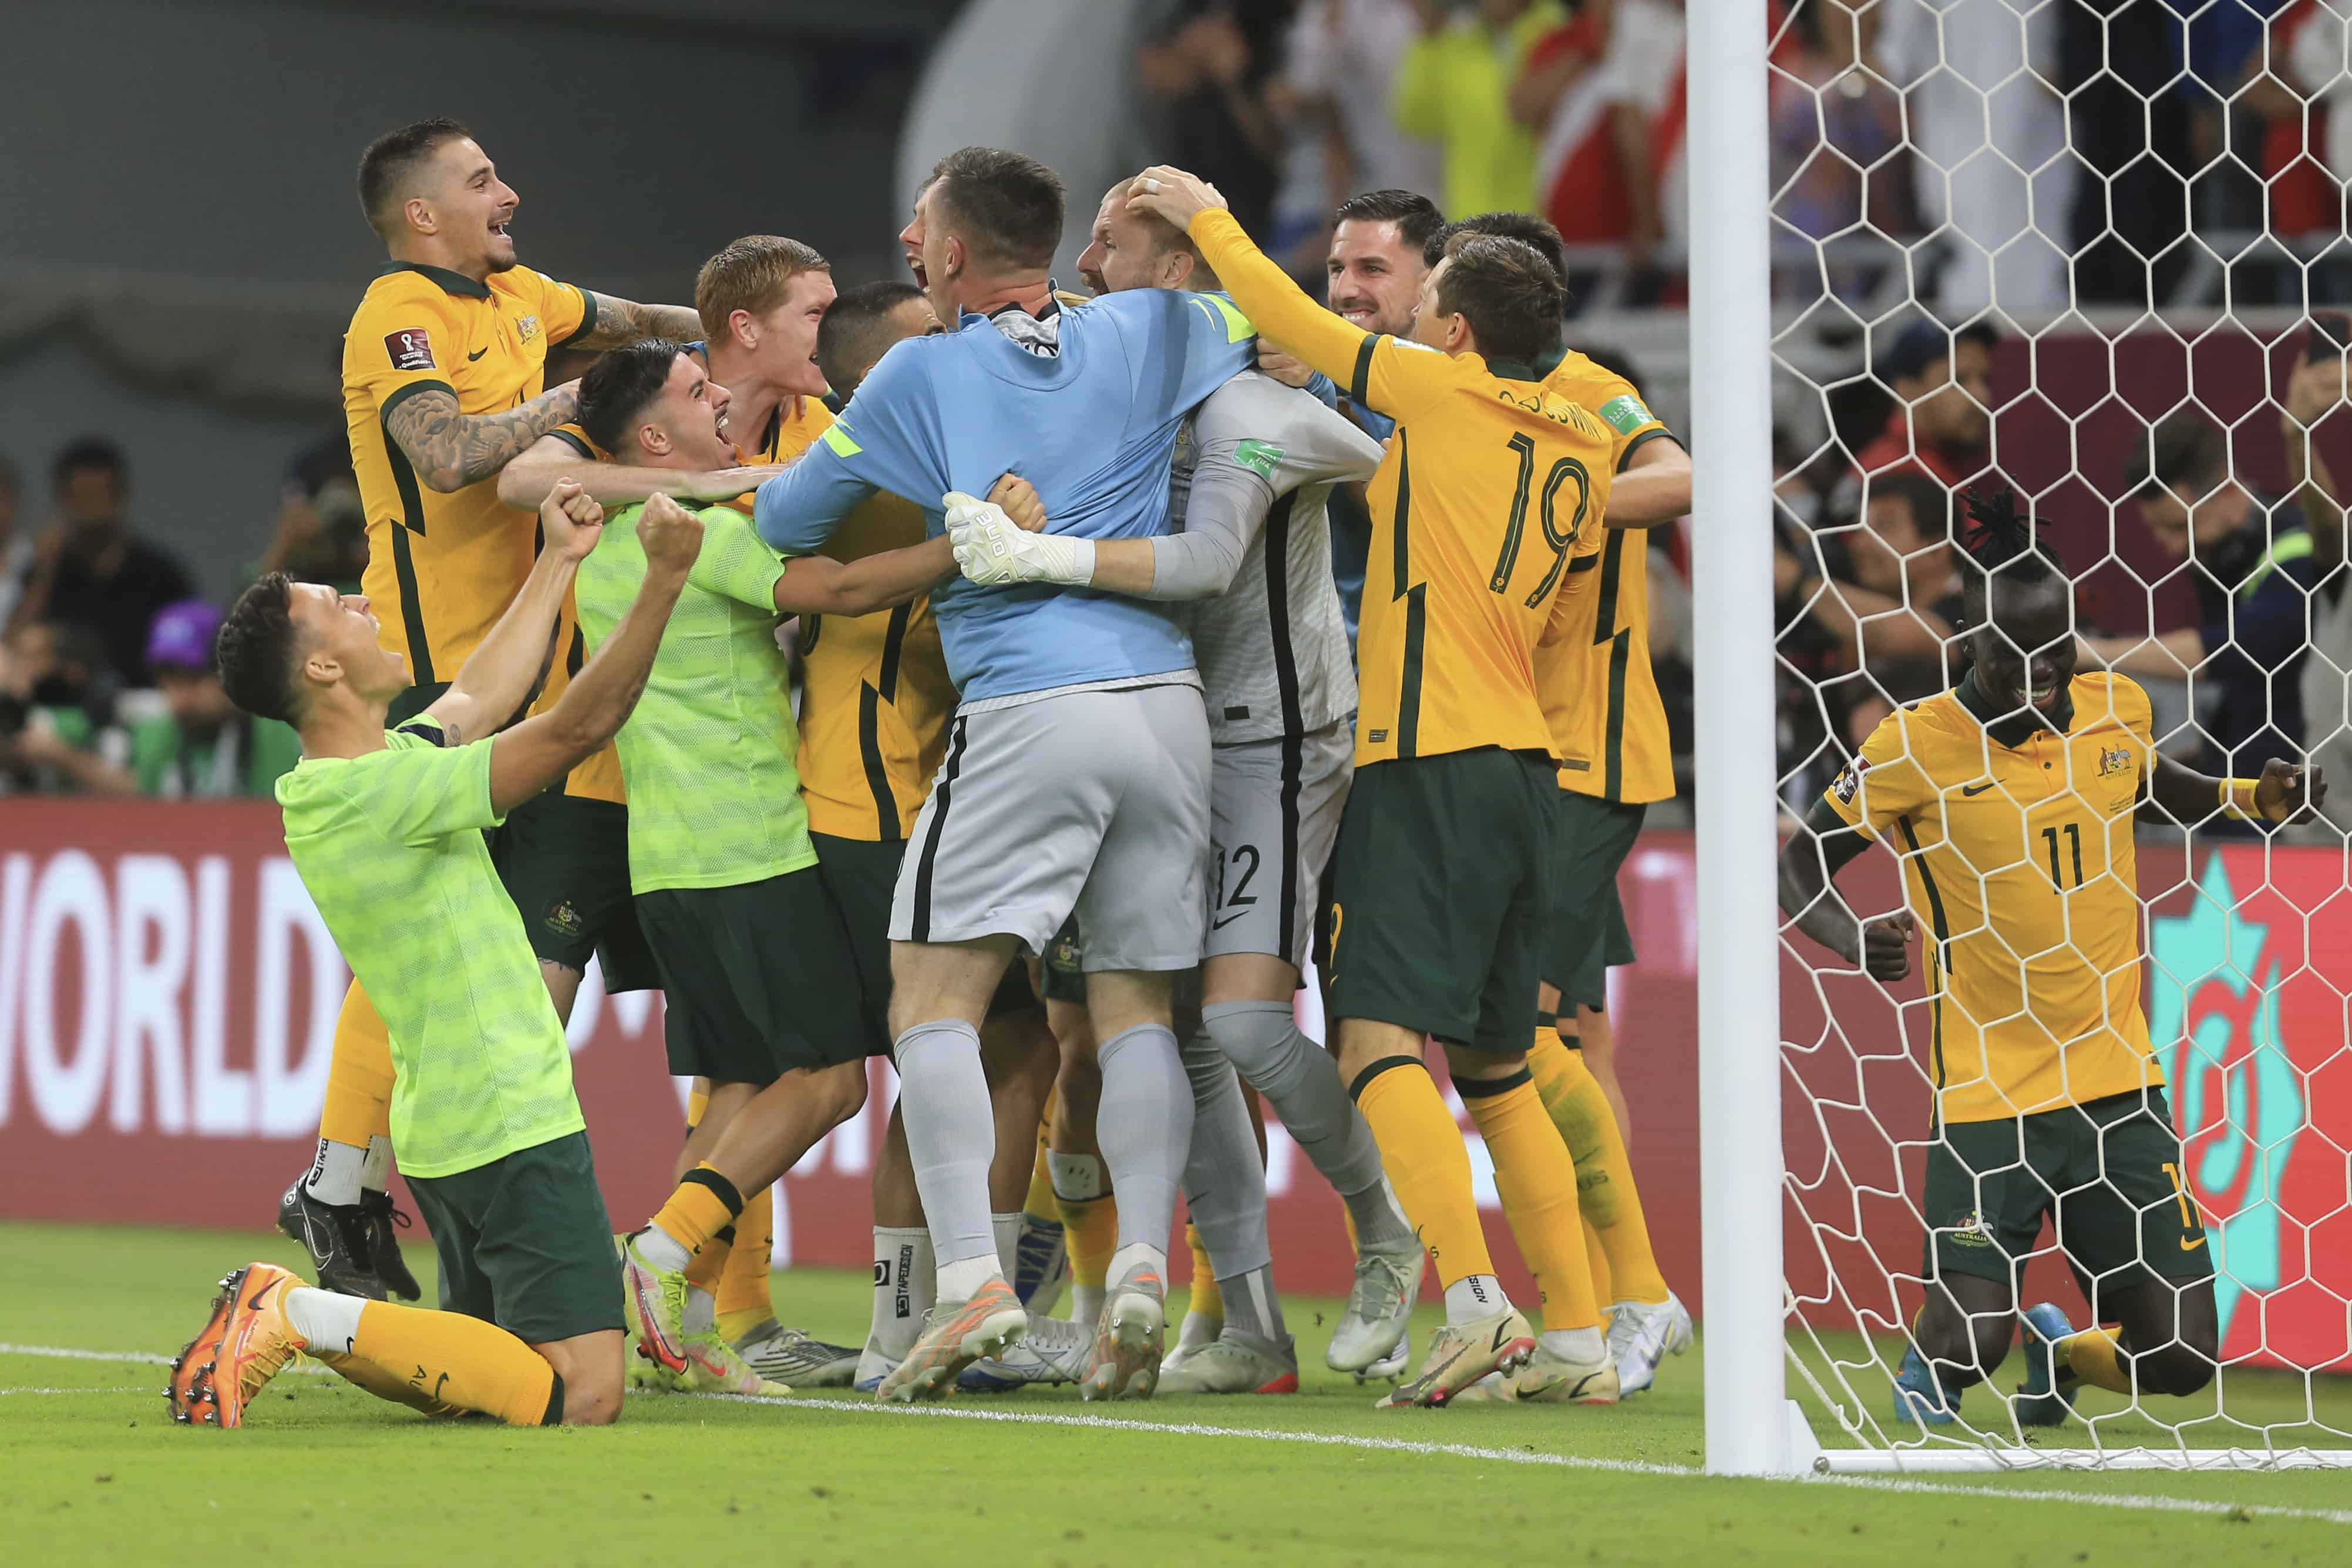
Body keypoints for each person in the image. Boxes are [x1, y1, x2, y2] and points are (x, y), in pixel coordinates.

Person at [753, 146, 1257, 1402]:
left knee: (931, 1000)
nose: (913, 250)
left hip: (1029, 698)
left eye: (921, 232)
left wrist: (939, 496)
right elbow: (1281, 333)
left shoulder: (923, 365)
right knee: (1136, 1007)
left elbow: (782, 524)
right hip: (1165, 704)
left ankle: (974, 1278)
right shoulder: (1162, 326)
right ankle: (1139, 1263)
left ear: (953, 254)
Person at [1128, 163, 1621, 1407]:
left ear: (1452, 329)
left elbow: (1289, 318)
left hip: (1427, 759)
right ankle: (1579, 1336)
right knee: (1500, 1062)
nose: (1388, 319)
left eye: (1419, 300)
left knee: (1372, 1039)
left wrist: (1203, 215)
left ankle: (1468, 1303)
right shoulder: (1570, 434)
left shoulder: (1436, 392)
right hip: (1529, 765)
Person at [964, 177, 1424, 1394]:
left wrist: (1333, 385)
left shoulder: (1247, 405)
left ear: (1172, 270)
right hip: (1173, 736)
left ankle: (1387, 1231)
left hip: (1274, 736)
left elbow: (1277, 523)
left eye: (1107, 244)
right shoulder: (1116, 405)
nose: (1085, 265)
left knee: (1237, 1022)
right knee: (1176, 1039)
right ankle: (1253, 1333)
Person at [1776, 490, 2324, 1429]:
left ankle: (2059, 1356)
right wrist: (1850, 936)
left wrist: (2251, 795)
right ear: (1966, 639)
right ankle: (1945, 1355)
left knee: (2184, 1355)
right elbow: (1799, 864)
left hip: (2116, 1079)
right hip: (1989, 1092)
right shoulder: (1912, 743)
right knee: (1970, 1342)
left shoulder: (2113, 706)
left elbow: (2151, 789)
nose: (2039, 676)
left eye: (2056, 650)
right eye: (2011, 655)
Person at [167, 478, 701, 1430]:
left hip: (449, 1124)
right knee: (583, 1394)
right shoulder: (383, 797)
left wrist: (558, 562)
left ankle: (305, 1317)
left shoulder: (347, 785)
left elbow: (478, 696)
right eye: (339, 609)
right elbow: (577, 727)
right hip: (507, 1114)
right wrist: (663, 581)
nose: (364, 605)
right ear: (324, 673)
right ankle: (293, 1308)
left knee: (491, 1378)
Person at [279, 116, 705, 1305]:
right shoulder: (394, 315)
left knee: (497, 948)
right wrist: (577, 402)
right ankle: (340, 1177)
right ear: (422, 214)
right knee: (423, 934)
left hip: (539, 655)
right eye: (479, 181)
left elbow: (615, 318)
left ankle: (364, 1187)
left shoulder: (518, 292)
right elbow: (451, 453)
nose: (508, 192)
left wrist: (706, 327)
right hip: (427, 668)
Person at [560, 341, 948, 1397]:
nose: (719, 396)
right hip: (749, 850)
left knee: (740, 1087)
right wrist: (971, 544)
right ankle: (657, 1257)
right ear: (653, 440)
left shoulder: (596, 547)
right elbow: (843, 585)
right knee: (827, 1080)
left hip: (668, 862)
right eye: (696, 393)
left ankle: (681, 1333)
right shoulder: (686, 536)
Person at [1418, 211, 1695, 1397]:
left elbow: (1676, 477)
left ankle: (1627, 1295)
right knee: (1560, 1030)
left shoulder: (1592, 391)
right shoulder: (1453, 396)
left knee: (1526, 1033)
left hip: (1583, 759)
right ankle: (1610, 1294)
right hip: (1506, 756)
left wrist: (1560, 501)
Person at [2090, 410, 2320, 781]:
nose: (2171, 546)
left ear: (2229, 494)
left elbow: (2232, 648)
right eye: (2158, 531)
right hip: (2242, 784)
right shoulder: (2221, 563)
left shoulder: (2297, 546)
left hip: (2297, 798)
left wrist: (2090, 652)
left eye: (2180, 526)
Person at [1319, 188, 1446, 635]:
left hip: (1437, 675)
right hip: (1332, 683)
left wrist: (1342, 439)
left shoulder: (1474, 394)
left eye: (1372, 270)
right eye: (1336, 270)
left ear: (1430, 281)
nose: (1344, 290)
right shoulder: (1308, 381)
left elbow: (1429, 540)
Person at [5, 439, 195, 685]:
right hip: (62, 704)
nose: (91, 509)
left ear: (121, 495)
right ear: (62, 498)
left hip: (144, 699)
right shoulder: (44, 570)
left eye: (100, 496)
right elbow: (13, 642)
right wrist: (44, 569)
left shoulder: (160, 573)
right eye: (82, 497)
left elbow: (189, 645)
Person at [1389, 0, 1566, 219]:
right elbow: (1414, 119)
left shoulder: (1557, 32)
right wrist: (1430, 35)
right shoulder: (1460, 44)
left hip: (1541, 226)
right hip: (1470, 228)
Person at [130, 601, 304, 799]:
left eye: (193, 678)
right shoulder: (154, 738)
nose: (180, 700)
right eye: (166, 681)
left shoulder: (280, 732)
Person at [1851, 319, 1998, 494]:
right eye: (1958, 380)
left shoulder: (1947, 462)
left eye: (1985, 380)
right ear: (1907, 389)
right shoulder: (1895, 474)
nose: (1982, 396)